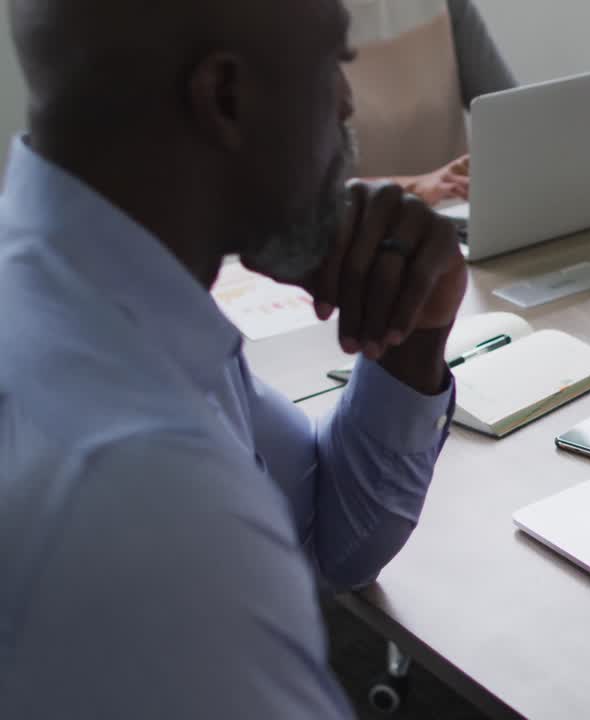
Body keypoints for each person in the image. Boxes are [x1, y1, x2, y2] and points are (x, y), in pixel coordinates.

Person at [0, 0, 465, 716]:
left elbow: (324, 540)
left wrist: (415, 331)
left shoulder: (92, 294)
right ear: (225, 98)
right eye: (336, 61)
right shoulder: (148, 496)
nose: (346, 103)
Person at [345, 0, 515, 206]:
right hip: (358, 234)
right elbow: (310, 196)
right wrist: (414, 186)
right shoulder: (301, 24)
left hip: (460, 220)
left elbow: (512, 119)